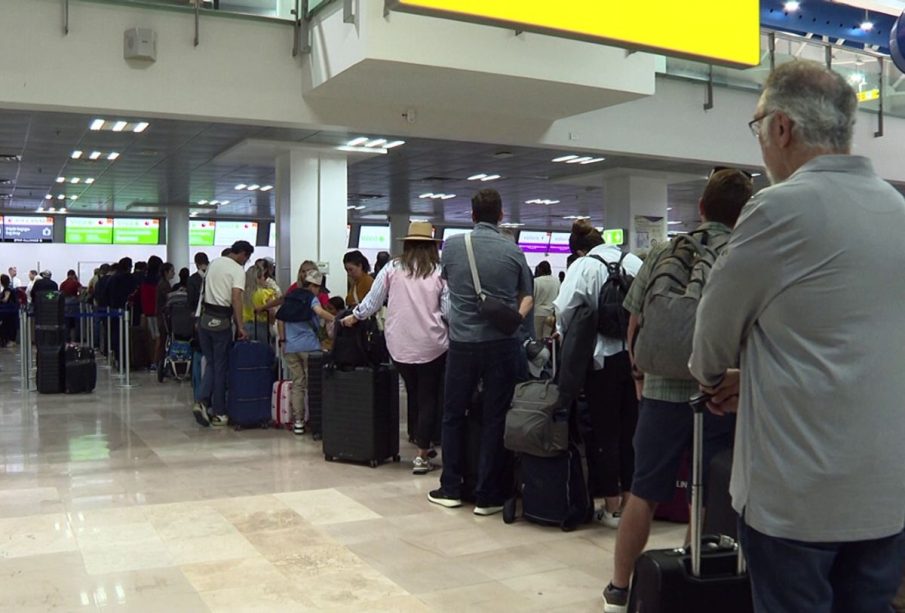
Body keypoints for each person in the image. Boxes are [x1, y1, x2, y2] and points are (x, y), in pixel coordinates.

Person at [689, 60, 905, 613]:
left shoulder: (778, 208)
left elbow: (711, 337)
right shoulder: (897, 210)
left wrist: (717, 380)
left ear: (781, 127)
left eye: (758, 125)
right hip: (886, 497)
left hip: (797, 500)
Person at [602, 168, 753, 613]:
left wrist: (640, 379)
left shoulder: (664, 251)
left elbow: (634, 323)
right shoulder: (742, 254)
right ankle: (691, 575)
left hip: (662, 391)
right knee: (706, 493)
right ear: (744, 215)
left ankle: (619, 588)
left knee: (644, 491)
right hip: (720, 393)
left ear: (702, 207)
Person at [428, 188, 534, 515]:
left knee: (453, 414)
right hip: (501, 344)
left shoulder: (454, 247)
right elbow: (526, 296)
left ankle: (451, 487)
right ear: (501, 215)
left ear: (472, 215)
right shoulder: (513, 251)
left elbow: (449, 282)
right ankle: (487, 495)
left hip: (461, 344)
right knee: (494, 417)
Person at [554, 220, 643, 529]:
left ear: (581, 248)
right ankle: (633, 502)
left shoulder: (584, 266)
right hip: (633, 360)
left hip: (599, 361)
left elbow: (564, 309)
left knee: (604, 432)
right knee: (631, 431)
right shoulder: (633, 261)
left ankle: (611, 505)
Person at [342, 221, 450, 474]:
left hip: (399, 344)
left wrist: (354, 316)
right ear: (432, 247)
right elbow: (447, 310)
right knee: (429, 397)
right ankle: (423, 453)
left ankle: (417, 437)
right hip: (433, 344)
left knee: (413, 393)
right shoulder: (439, 271)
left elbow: (373, 300)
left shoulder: (392, 267)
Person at [194, 240, 254, 428]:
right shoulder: (237, 270)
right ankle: (217, 411)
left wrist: (197, 318)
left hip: (205, 320)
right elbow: (236, 298)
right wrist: (241, 326)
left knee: (211, 363)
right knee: (220, 366)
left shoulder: (214, 263)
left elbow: (202, 293)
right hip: (221, 322)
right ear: (242, 254)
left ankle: (203, 401)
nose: (246, 261)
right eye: (247, 257)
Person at [277, 270, 335, 435]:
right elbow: (319, 312)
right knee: (314, 384)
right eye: (318, 288)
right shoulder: (311, 297)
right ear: (314, 286)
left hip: (290, 348)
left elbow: (280, 318)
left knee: (298, 384)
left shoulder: (291, 296)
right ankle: (316, 420)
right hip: (309, 347)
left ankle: (298, 422)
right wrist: (335, 319)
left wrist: (283, 340)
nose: (319, 291)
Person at [532, 261, 559, 339]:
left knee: (537, 338)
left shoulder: (536, 281)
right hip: (551, 314)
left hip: (537, 313)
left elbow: (532, 297)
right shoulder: (557, 281)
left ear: (540, 269)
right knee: (548, 338)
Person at [155, 263, 176, 367]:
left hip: (161, 316)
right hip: (163, 317)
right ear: (166, 272)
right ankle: (159, 362)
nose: (174, 273)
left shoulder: (164, 283)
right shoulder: (164, 285)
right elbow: (168, 298)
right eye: (172, 271)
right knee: (163, 340)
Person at [60, 270, 82, 342]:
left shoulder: (63, 283)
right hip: (74, 303)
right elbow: (80, 291)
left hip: (65, 303)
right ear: (73, 275)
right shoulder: (76, 283)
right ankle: (76, 338)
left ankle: (67, 338)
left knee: (66, 322)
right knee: (76, 322)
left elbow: (61, 294)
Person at [0, 274, 17, 348]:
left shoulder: (7, 289)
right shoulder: (9, 288)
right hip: (10, 311)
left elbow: (5, 299)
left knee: (7, 326)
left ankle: (9, 341)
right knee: (7, 326)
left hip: (7, 311)